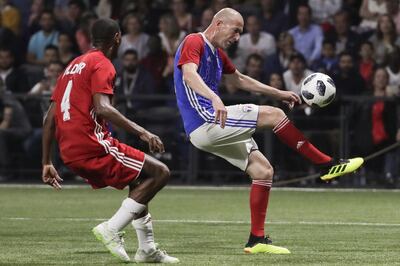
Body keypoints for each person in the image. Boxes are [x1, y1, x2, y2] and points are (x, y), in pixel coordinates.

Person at [173, 7, 364, 255]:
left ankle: (256, 239)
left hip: (208, 127)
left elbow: (240, 79)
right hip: (206, 120)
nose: (238, 37)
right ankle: (325, 164)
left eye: (240, 33)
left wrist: (279, 92)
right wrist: (214, 97)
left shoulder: (217, 54)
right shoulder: (194, 41)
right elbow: (189, 75)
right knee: (274, 115)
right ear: (219, 23)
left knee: (263, 171)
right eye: (236, 31)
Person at [41, 18, 179, 264]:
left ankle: (146, 249)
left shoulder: (72, 65)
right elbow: (103, 108)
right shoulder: (102, 64)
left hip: (69, 150)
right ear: (117, 38)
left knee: (140, 180)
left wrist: (46, 161)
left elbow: (49, 119)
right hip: (92, 143)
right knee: (160, 172)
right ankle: (111, 228)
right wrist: (143, 133)